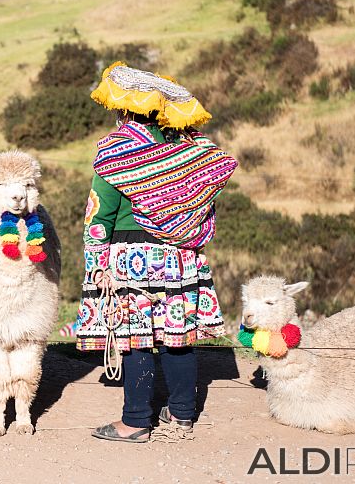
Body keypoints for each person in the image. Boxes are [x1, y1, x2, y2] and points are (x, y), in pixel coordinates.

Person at [74, 61, 237, 442]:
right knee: (177, 334)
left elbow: (101, 213)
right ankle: (181, 414)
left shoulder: (116, 150)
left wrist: (97, 262)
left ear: (124, 109)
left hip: (133, 258)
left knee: (137, 339)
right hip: (181, 256)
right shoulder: (187, 147)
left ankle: (135, 421)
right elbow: (201, 201)